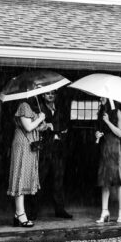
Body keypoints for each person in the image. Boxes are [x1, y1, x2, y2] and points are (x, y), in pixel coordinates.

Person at [7, 85, 51, 227]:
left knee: (25, 177)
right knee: (20, 177)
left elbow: (35, 127)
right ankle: (21, 214)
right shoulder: (24, 105)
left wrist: (43, 125)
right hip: (22, 145)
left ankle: (17, 213)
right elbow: (28, 127)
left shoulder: (32, 107)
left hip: (30, 146)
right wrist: (41, 118)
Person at [34, 88, 72, 219]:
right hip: (44, 150)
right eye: (47, 93)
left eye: (52, 93)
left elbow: (66, 126)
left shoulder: (61, 109)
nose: (50, 96)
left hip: (59, 150)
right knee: (39, 180)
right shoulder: (38, 109)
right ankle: (33, 211)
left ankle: (60, 210)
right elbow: (35, 129)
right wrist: (43, 125)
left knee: (58, 181)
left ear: (55, 95)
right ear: (43, 95)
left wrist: (53, 127)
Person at [94, 96, 121, 223]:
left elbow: (120, 133)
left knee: (118, 180)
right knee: (104, 180)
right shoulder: (101, 112)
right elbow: (99, 132)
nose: (101, 98)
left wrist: (107, 122)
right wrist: (97, 135)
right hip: (104, 148)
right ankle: (104, 211)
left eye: (103, 97)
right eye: (100, 96)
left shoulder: (117, 112)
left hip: (115, 150)